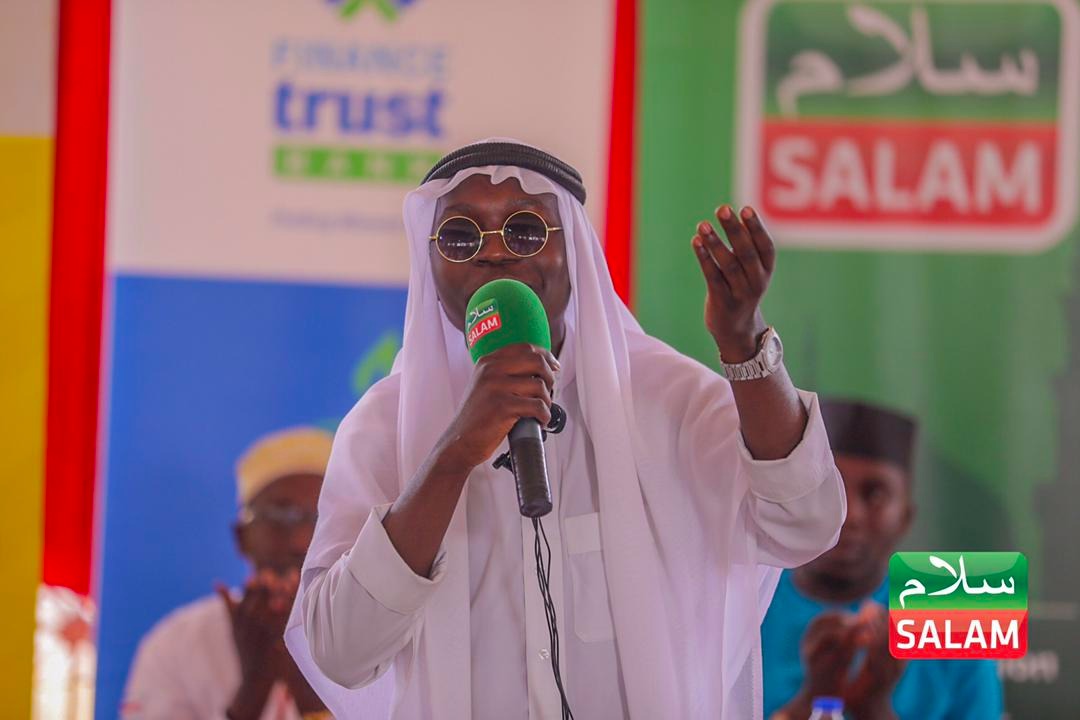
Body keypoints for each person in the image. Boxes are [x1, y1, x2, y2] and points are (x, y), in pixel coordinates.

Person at [285, 139, 847, 719]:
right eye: (460, 236)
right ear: (431, 263)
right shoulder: (383, 425)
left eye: (525, 231)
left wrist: (746, 345)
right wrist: (452, 455)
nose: (494, 253)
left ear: (573, 251)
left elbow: (805, 525)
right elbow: (341, 652)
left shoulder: (668, 398)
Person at [761, 399, 1004, 719]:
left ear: (905, 517)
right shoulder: (747, 594)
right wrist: (812, 700)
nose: (849, 514)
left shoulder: (953, 605)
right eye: (829, 489)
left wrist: (872, 707)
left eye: (875, 494)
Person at [122, 427, 334, 720]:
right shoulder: (176, 643)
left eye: (320, 518)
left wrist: (312, 686)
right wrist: (254, 686)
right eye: (280, 517)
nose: (300, 541)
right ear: (242, 537)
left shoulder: (379, 635)